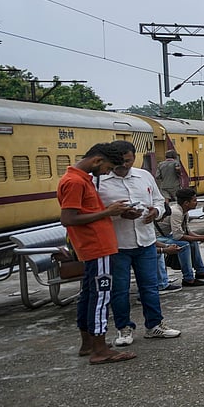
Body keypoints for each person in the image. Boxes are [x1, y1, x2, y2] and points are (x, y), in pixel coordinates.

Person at [57, 142, 136, 364]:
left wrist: (113, 212)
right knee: (101, 297)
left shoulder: (82, 179)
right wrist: (108, 212)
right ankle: (100, 350)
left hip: (96, 246)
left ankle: (88, 344)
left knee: (89, 296)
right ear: (98, 160)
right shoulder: (74, 182)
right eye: (108, 168)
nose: (108, 172)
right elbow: (68, 218)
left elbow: (86, 212)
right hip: (96, 246)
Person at [97, 140, 182, 347]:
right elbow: (95, 213)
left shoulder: (144, 176)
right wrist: (118, 215)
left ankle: (154, 325)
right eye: (120, 161)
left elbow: (159, 201)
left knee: (150, 287)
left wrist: (156, 212)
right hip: (118, 244)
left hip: (145, 240)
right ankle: (123, 327)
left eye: (128, 160)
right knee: (120, 289)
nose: (124, 165)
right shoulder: (100, 182)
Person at [157, 188, 204, 287]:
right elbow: (178, 236)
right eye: (194, 200)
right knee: (184, 245)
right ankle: (188, 279)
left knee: (193, 242)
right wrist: (201, 238)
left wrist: (203, 237)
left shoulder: (184, 211)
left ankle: (201, 272)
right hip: (157, 238)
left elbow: (187, 232)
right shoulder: (176, 212)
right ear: (186, 203)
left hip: (166, 236)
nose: (196, 202)